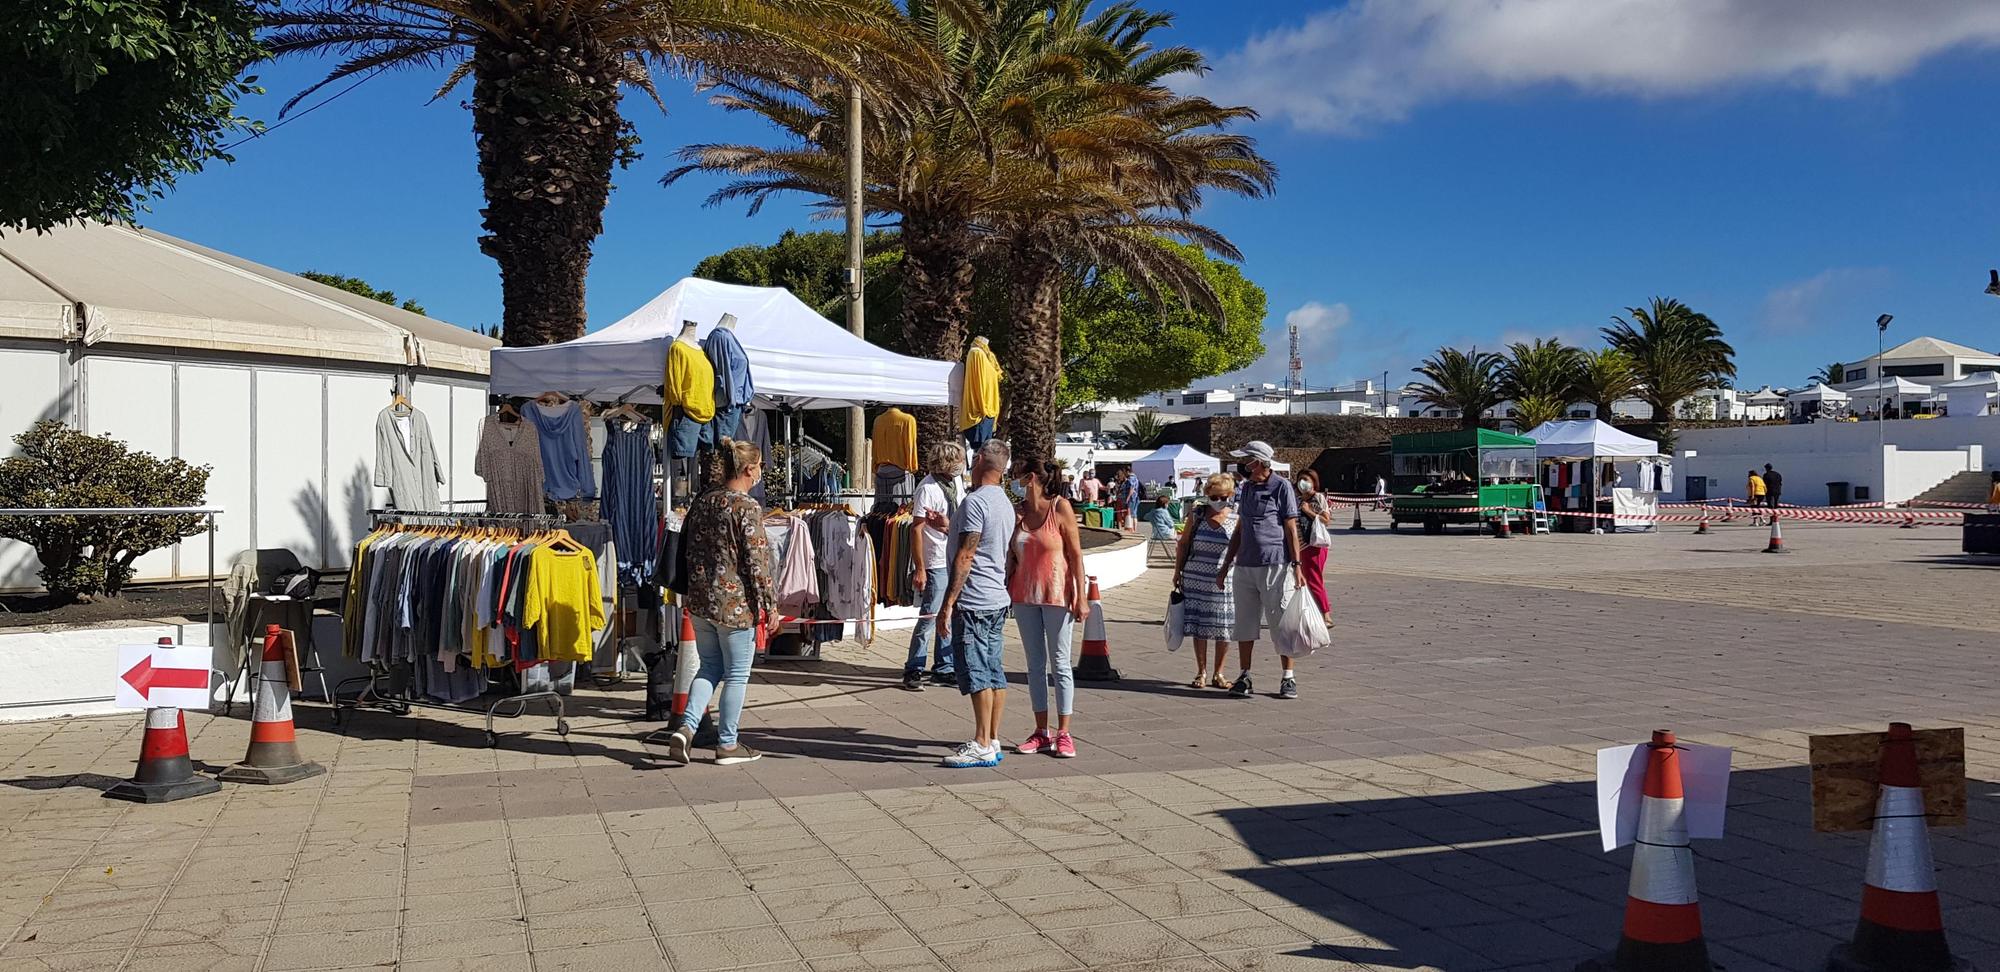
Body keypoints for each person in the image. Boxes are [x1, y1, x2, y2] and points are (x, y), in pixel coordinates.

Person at [664, 438, 774, 766]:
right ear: (748, 468)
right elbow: (758, 561)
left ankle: (686, 727)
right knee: (737, 674)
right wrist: (770, 604)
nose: (760, 473)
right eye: (759, 467)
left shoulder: (704, 501)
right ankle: (727, 744)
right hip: (736, 605)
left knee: (709, 667)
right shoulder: (746, 507)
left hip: (700, 600)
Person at [938, 439, 1017, 768]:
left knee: (977, 672)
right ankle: (992, 737)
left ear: (981, 460)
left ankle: (982, 741)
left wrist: (949, 602)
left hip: (975, 599)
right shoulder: (1003, 502)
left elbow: (967, 555)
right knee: (994, 671)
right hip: (996, 596)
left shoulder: (975, 502)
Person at [1007, 457, 1088, 758]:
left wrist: (1080, 597)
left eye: (1016, 475)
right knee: (1034, 665)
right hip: (1024, 595)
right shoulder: (1018, 512)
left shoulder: (1060, 507)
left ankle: (1065, 732)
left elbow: (1076, 555)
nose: (1012, 481)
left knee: (1060, 662)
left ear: (1030, 478)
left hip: (1057, 594)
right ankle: (1041, 731)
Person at [1216, 441, 1306, 700]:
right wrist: (1225, 567)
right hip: (1245, 564)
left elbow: (1290, 528)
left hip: (1275, 563)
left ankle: (1288, 677)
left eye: (1248, 460)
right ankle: (1245, 675)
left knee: (1280, 622)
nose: (1244, 465)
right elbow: (1240, 528)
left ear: (1259, 462)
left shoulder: (1281, 487)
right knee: (1244, 624)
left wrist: (1297, 565)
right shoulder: (1245, 489)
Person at [902, 443, 963, 691]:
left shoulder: (956, 484)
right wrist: (920, 567)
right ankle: (914, 668)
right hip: (936, 559)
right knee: (929, 616)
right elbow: (916, 528)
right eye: (958, 459)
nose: (962, 463)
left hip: (954, 555)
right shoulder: (926, 488)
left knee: (949, 614)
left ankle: (944, 666)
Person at [1173, 473, 1238, 688]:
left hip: (1225, 579)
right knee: (1199, 626)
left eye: (1224, 497)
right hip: (1195, 577)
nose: (1219, 501)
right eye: (1215, 496)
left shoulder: (1236, 518)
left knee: (1224, 627)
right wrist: (1177, 572)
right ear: (1207, 494)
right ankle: (1201, 671)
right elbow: (1183, 544)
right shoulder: (1197, 514)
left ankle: (1219, 673)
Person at [1295, 470, 1334, 623]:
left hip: (1314, 544)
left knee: (1314, 580)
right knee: (1305, 579)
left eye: (1306, 479)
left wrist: (1308, 511)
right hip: (1301, 546)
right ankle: (1314, 610)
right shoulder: (1297, 500)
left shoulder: (1317, 498)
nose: (1302, 482)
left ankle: (1326, 615)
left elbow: (1326, 519)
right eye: (1300, 480)